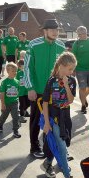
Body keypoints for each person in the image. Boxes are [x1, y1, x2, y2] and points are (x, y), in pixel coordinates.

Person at [24, 19, 65, 158]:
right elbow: (27, 68)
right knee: (36, 120)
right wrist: (30, 87)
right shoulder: (34, 44)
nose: (55, 32)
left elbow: (64, 69)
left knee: (56, 121)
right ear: (45, 31)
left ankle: (58, 148)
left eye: (57, 29)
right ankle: (34, 147)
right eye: (52, 29)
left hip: (56, 91)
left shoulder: (61, 46)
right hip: (38, 90)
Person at [41, 52, 78, 178]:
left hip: (66, 118)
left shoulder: (72, 81)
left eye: (73, 69)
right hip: (53, 117)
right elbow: (45, 103)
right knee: (62, 147)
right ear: (61, 66)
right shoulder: (51, 81)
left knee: (62, 142)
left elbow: (70, 100)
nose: (71, 72)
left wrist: (67, 85)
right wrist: (46, 122)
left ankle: (48, 163)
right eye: (69, 69)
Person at [0, 62, 21, 138]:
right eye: (13, 71)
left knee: (16, 117)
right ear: (7, 72)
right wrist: (2, 104)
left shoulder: (17, 82)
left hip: (14, 103)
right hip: (6, 103)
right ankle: (0, 124)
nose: (15, 72)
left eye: (16, 71)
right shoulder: (4, 82)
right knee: (4, 116)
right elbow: (2, 94)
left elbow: (18, 92)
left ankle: (15, 131)